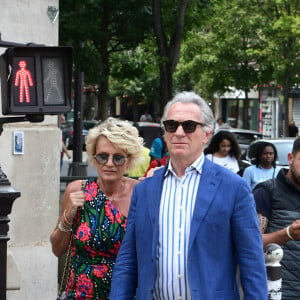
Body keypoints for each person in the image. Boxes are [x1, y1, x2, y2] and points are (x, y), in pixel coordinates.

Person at [109, 91, 268, 299]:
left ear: (207, 134)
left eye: (189, 126)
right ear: (165, 133)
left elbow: (252, 262)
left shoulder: (234, 188)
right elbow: (128, 260)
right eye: (172, 125)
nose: (179, 132)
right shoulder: (144, 191)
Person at [50, 117, 144, 299]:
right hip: (80, 294)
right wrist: (68, 218)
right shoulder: (77, 190)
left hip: (125, 293)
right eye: (103, 156)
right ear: (94, 157)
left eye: (117, 158)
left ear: (129, 160)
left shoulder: (140, 193)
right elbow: (57, 249)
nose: (109, 163)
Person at [253, 137, 300, 299]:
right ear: (290, 158)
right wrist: (287, 234)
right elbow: (251, 242)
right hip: (278, 290)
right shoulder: (266, 192)